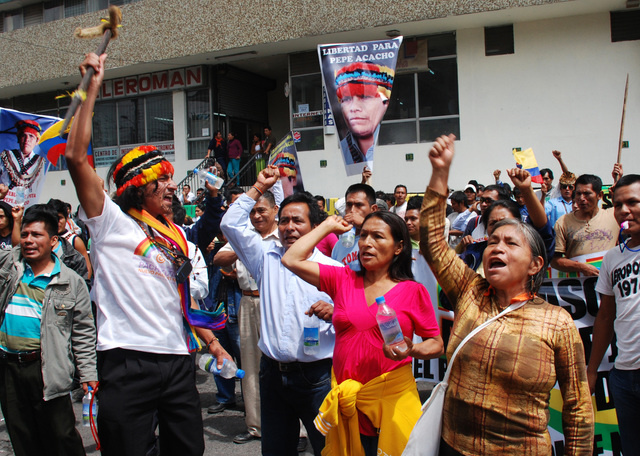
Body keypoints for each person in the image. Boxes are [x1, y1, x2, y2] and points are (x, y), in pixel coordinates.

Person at [64, 52, 231, 456]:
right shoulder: (110, 223)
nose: (172, 188)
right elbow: (74, 156)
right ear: (138, 187)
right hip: (126, 360)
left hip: (177, 360)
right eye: (162, 180)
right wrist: (91, 86)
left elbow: (179, 302)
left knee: (189, 449)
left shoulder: (176, 235)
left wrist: (212, 344)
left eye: (172, 181)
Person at [422, 134, 593, 455]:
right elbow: (432, 241)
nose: (496, 246)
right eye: (492, 240)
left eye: (511, 243)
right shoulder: (470, 291)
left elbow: (578, 409)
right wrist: (440, 172)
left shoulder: (556, 322)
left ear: (535, 264)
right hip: (452, 446)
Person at [281, 210, 443, 456]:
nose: (367, 243)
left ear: (399, 247)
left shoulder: (412, 291)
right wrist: (326, 226)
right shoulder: (343, 278)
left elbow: (436, 344)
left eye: (378, 236)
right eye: (363, 235)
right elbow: (291, 259)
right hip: (348, 403)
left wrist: (413, 349)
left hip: (392, 401)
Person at [220, 166, 342, 456]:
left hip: (317, 379)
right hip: (272, 375)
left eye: (298, 221)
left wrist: (335, 311)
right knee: (275, 451)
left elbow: (354, 318)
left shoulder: (334, 270)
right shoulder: (264, 258)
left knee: (330, 450)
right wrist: (259, 187)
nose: (289, 227)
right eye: (284, 220)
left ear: (314, 227)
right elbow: (230, 225)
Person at [0, 204, 97, 456]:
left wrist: (88, 374)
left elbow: (83, 333)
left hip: (47, 367)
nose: (28, 241)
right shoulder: (10, 265)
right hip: (8, 367)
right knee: (22, 436)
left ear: (53, 240)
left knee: (61, 436)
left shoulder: (71, 282)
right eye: (25, 234)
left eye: (36, 235)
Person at [214, 189, 280, 444]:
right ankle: (256, 427)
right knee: (251, 367)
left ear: (275, 210)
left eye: (262, 210)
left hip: (274, 301)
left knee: (282, 364)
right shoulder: (244, 236)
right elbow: (219, 258)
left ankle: (295, 429)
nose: (256, 215)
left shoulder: (285, 234)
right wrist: (245, 249)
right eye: (252, 211)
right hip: (247, 302)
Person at [587, 174, 640, 455]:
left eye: (632, 202)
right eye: (618, 204)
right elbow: (605, 318)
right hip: (623, 375)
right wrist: (592, 370)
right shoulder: (613, 258)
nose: (624, 210)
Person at [551, 174, 619, 276]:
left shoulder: (614, 215)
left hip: (611, 280)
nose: (582, 198)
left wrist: (619, 185)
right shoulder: (563, 222)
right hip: (580, 286)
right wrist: (581, 267)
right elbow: (555, 261)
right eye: (578, 194)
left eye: (587, 194)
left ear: (600, 195)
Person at [335, 62, 393, 165]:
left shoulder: (392, 141)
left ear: (385, 102)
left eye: (365, 97)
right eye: (347, 99)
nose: (354, 108)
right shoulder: (340, 152)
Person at [0, 119, 50, 207]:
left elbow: (38, 189)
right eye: (23, 135)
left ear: (37, 141)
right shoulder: (7, 156)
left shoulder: (39, 162)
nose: (27, 140)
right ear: (18, 139)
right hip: (5, 203)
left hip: (27, 205)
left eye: (31, 136)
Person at [331, 183, 378, 271]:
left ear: (373, 209)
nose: (352, 210)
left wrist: (364, 225)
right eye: (349, 205)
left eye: (359, 205)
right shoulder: (339, 246)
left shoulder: (381, 240)